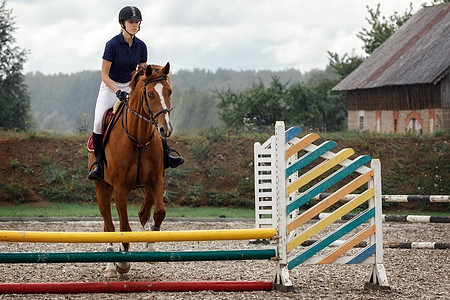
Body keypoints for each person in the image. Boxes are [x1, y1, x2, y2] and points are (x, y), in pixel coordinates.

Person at [88, 6, 184, 180]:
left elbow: (142, 72)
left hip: (131, 87)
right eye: (131, 22)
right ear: (122, 24)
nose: (135, 25)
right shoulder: (112, 45)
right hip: (110, 87)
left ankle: (166, 155)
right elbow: (104, 75)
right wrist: (117, 91)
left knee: (150, 114)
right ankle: (99, 164)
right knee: (97, 122)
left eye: (137, 22)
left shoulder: (141, 46)